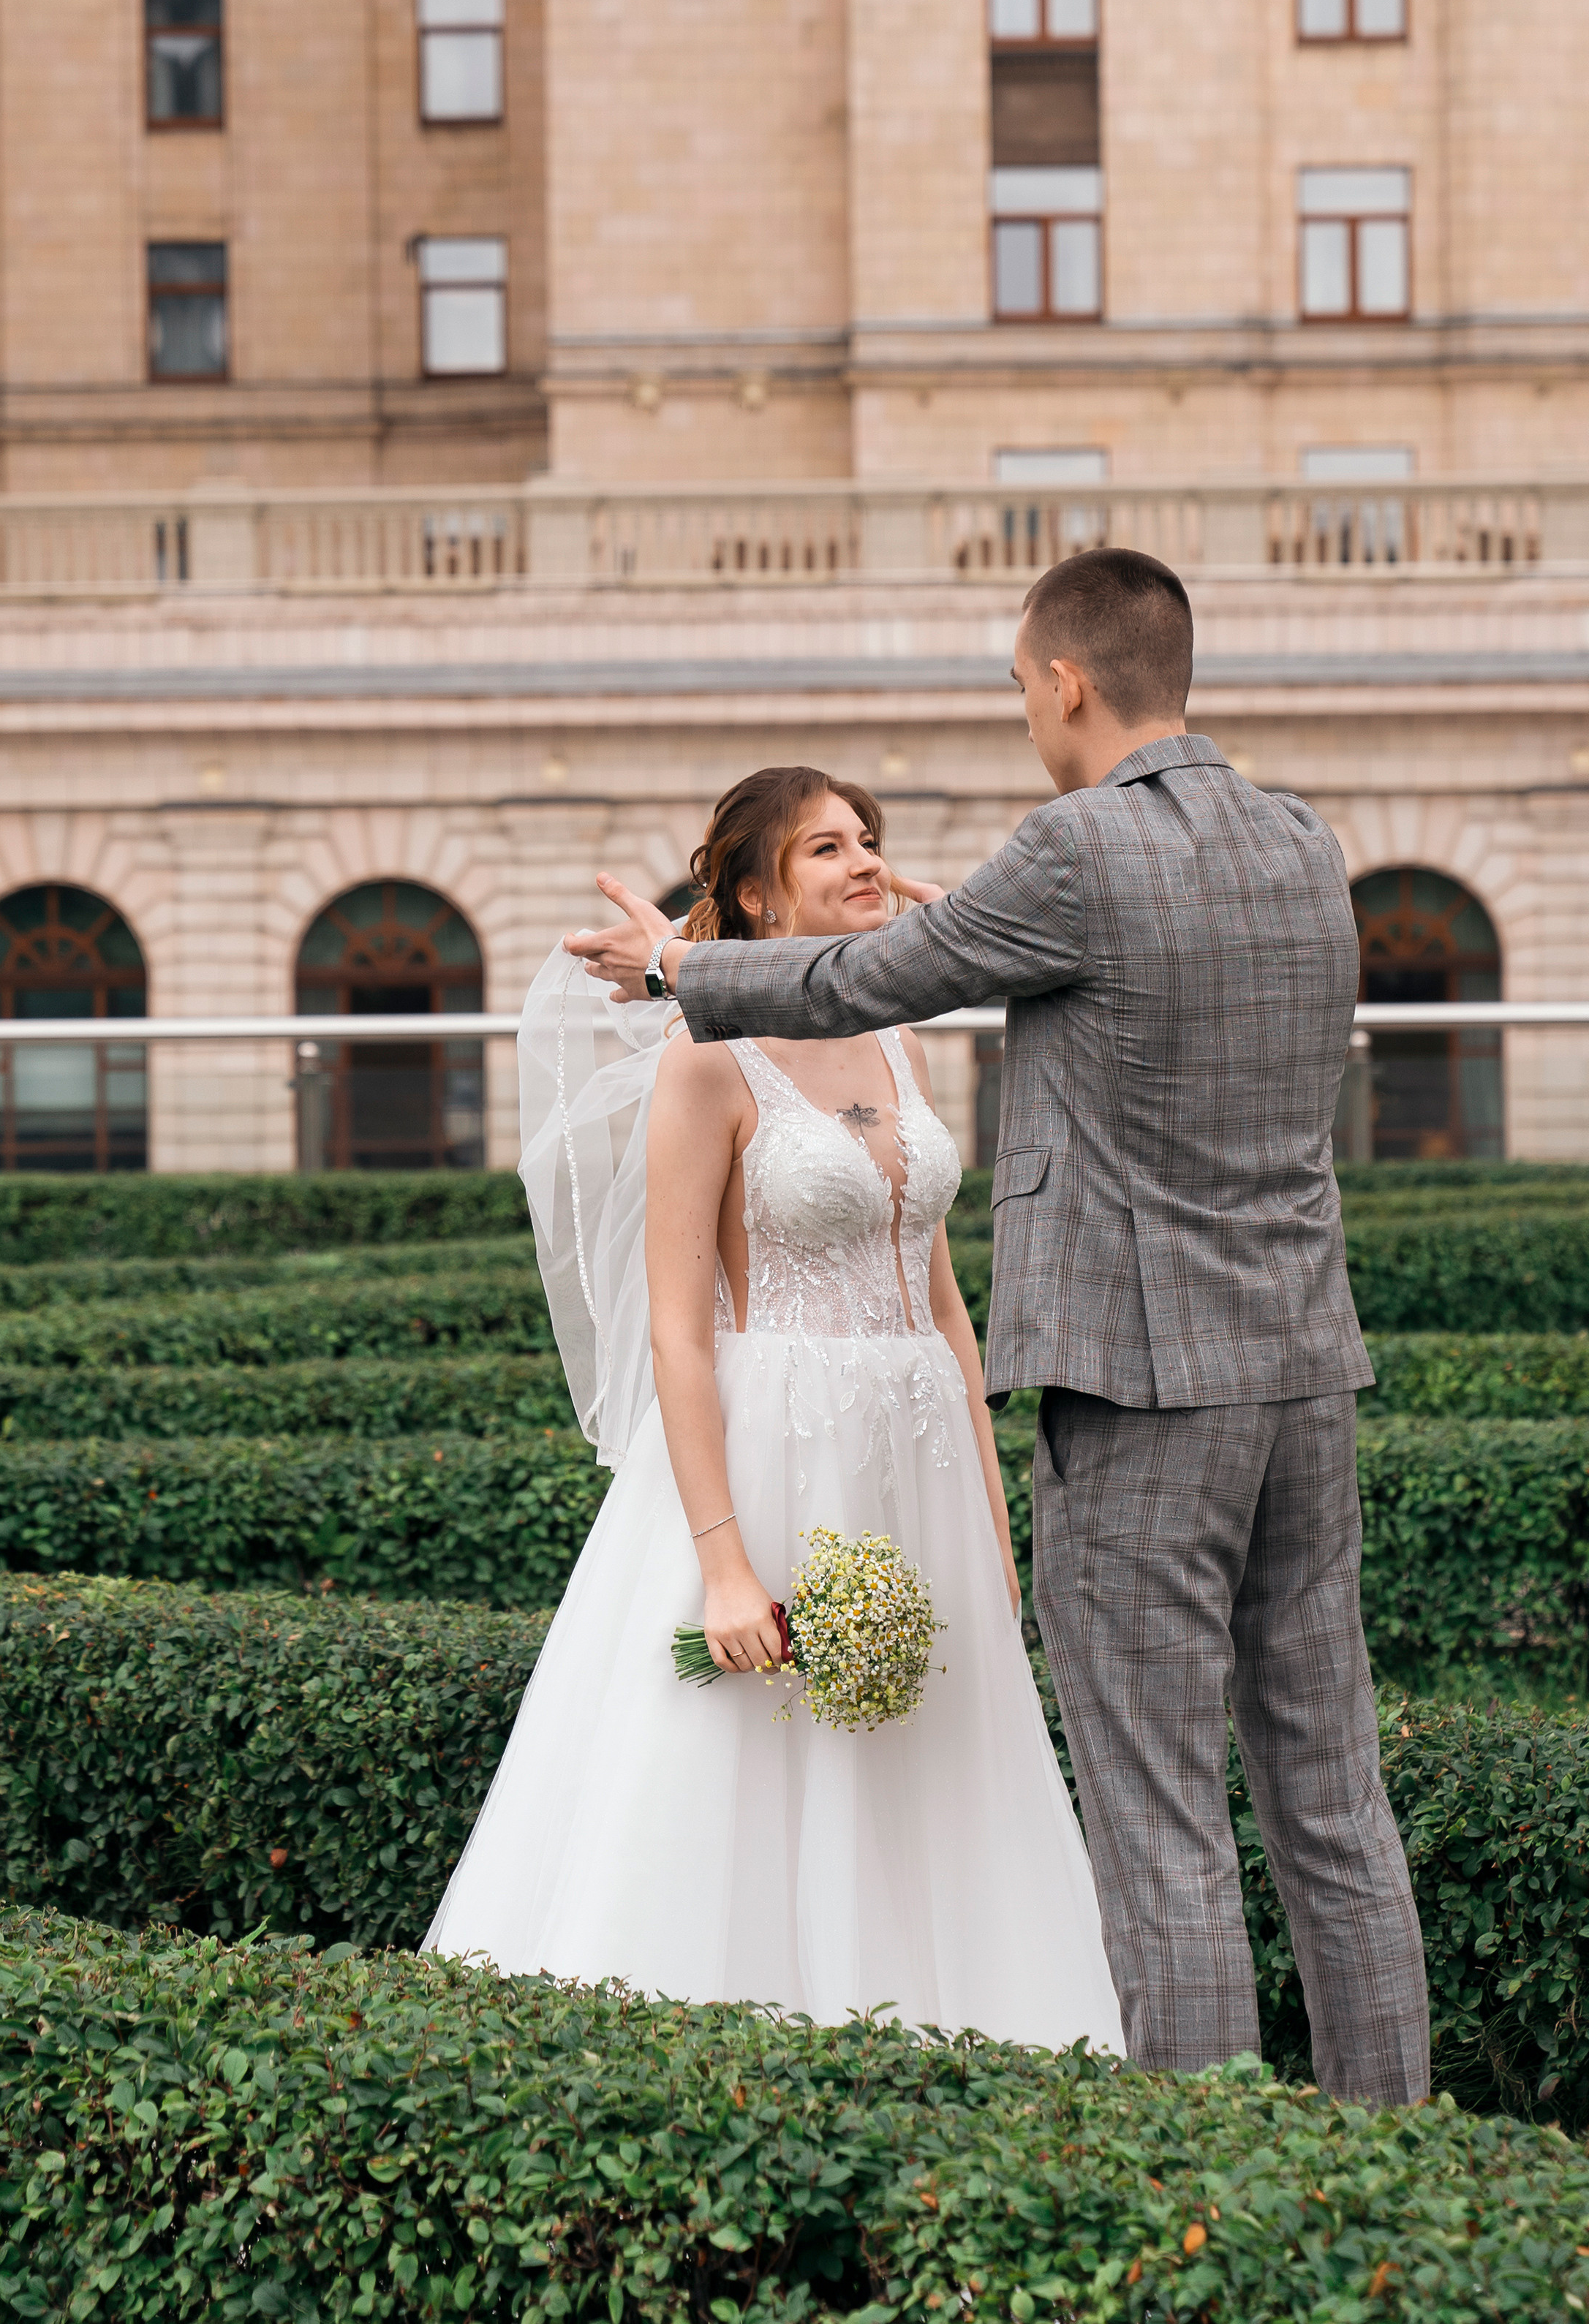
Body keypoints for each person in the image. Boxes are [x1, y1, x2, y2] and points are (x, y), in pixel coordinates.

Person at [568, 549, 1431, 2108]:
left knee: (1157, 1814)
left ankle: (1206, 2183)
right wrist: (968, 906)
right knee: (1331, 1800)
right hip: (1306, 1371)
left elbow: (860, 982)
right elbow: (1152, 969)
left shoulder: (1071, 851)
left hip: (1142, 1391)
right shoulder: (1303, 845)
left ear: (1061, 684)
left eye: (1016, 687)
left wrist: (673, 964)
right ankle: (1394, 2152)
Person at [425, 764, 1122, 2045]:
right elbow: (681, 1337)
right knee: (752, 1769)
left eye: (869, 840)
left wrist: (989, 1514)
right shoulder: (708, 1064)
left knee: (934, 1770)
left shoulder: (906, 1040)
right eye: (825, 849)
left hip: (918, 1459)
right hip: (775, 1450)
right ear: (751, 894)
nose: (863, 862)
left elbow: (946, 1304)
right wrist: (726, 1566)